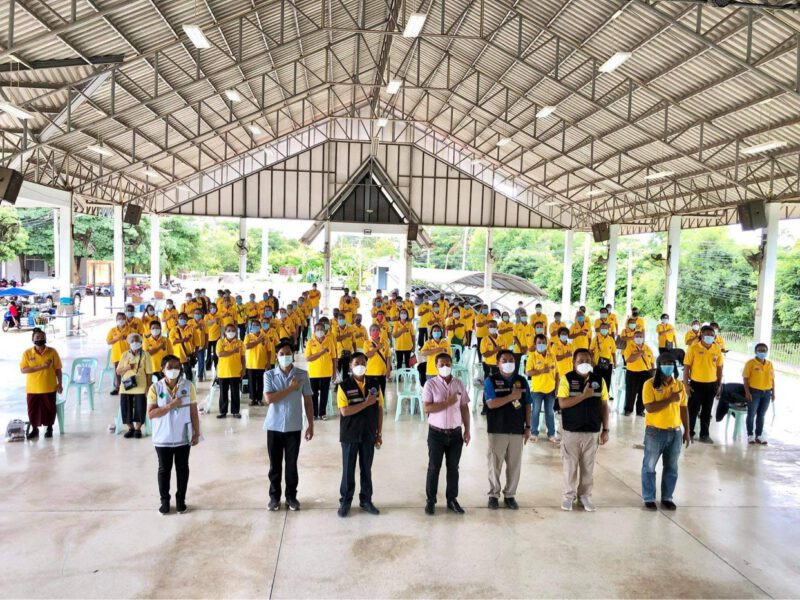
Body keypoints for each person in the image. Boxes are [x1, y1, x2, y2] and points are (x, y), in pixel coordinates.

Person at [557, 348, 610, 512]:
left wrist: (605, 429)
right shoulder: (567, 378)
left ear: (592, 362)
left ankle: (585, 497)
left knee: (588, 467)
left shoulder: (599, 380)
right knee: (570, 466)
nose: (584, 364)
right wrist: (584, 396)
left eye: (587, 360)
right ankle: (568, 497)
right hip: (571, 431)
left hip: (592, 431)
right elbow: (562, 403)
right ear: (574, 363)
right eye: (580, 361)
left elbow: (604, 406)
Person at [147, 355, 200, 515]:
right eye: (169, 367)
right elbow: (151, 413)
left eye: (177, 367)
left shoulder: (188, 386)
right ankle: (164, 501)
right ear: (162, 370)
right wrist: (171, 405)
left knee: (182, 468)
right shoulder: (155, 388)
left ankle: (180, 500)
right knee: (164, 470)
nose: (173, 370)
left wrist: (196, 432)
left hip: (182, 436)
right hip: (162, 438)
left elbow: (193, 411)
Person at [264, 342, 314, 511]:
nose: (285, 356)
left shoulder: (302, 375)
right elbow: (269, 399)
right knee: (275, 465)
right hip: (274, 426)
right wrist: (291, 388)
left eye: (288, 353)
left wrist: (310, 424)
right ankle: (274, 498)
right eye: (281, 353)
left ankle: (291, 497)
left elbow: (308, 400)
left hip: (294, 427)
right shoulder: (269, 375)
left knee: (291, 465)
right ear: (276, 356)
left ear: (293, 354)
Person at [421, 353, 471, 515]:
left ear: (452, 365)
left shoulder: (459, 384)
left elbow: (464, 407)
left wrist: (467, 430)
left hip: (456, 433)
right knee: (434, 467)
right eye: (441, 364)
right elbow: (427, 408)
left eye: (447, 364)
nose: (445, 367)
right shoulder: (430, 384)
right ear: (436, 366)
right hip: (436, 433)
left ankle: (452, 499)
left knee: (453, 468)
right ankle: (431, 501)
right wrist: (447, 403)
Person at [483, 350, 531, 510]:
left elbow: (527, 405)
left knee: (514, 465)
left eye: (511, 360)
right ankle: (493, 495)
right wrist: (511, 397)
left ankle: (510, 495)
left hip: (517, 429)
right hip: (497, 429)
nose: (508, 362)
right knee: (494, 464)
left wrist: (528, 427)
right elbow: (491, 404)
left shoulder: (522, 381)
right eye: (504, 360)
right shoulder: (491, 380)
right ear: (498, 363)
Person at [337, 352, 384, 518]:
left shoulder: (374, 385)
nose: (360, 366)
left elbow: (379, 409)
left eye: (363, 362)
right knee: (348, 470)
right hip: (350, 435)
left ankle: (366, 500)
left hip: (368, 434)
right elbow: (345, 411)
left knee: (366, 469)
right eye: (356, 363)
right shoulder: (343, 386)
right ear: (350, 365)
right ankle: (345, 501)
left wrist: (379, 433)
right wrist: (366, 403)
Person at [641, 352, 690, 511]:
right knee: (649, 466)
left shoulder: (679, 386)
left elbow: (684, 409)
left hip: (675, 432)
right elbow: (649, 408)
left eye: (671, 363)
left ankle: (667, 497)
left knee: (672, 467)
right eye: (665, 363)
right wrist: (669, 400)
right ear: (659, 365)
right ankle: (649, 497)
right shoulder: (649, 384)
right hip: (655, 432)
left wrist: (687, 430)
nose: (668, 366)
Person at [19, 328, 63, 439]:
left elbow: (58, 369)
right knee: (32, 410)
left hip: (49, 387)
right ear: (32, 339)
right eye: (37, 338)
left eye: (42, 337)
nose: (40, 339)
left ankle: (49, 428)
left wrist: (60, 384)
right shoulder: (27, 353)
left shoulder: (52, 352)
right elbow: (23, 370)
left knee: (50, 409)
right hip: (33, 388)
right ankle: (35, 429)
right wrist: (41, 367)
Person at [683, 325, 723, 443]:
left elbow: (720, 367)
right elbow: (686, 367)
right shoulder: (693, 348)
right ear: (701, 335)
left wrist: (719, 384)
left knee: (707, 411)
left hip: (711, 385)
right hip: (696, 384)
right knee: (692, 410)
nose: (710, 337)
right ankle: (688, 432)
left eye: (712, 335)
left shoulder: (717, 348)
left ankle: (704, 434)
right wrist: (686, 384)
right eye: (707, 334)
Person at [116, 332, 154, 438]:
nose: (135, 343)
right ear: (129, 343)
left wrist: (148, 386)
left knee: (140, 406)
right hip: (127, 385)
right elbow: (118, 371)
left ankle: (138, 428)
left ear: (141, 342)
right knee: (125, 406)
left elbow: (149, 372)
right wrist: (127, 367)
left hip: (141, 385)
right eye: (132, 341)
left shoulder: (146, 355)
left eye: (137, 341)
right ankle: (130, 427)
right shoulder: (125, 354)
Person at [526, 333, 558, 443]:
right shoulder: (532, 356)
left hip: (551, 389)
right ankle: (534, 433)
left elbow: (557, 373)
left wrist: (557, 388)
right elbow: (528, 372)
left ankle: (552, 434)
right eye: (539, 343)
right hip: (537, 390)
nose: (541, 344)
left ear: (547, 343)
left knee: (550, 412)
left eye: (543, 343)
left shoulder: (552, 356)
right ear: (535, 344)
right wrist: (541, 371)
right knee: (535, 411)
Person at [743, 343, 774, 445]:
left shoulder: (769, 364)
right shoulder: (750, 363)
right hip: (754, 392)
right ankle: (750, 435)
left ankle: (759, 435)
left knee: (761, 415)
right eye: (760, 350)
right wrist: (747, 392)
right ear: (755, 352)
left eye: (764, 350)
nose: (762, 352)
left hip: (767, 393)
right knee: (751, 414)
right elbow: (745, 378)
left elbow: (772, 379)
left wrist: (773, 392)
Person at [305, 320, 336, 420]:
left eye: (322, 329)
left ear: (325, 330)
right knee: (313, 393)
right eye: (318, 329)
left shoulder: (329, 341)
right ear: (314, 331)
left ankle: (322, 413)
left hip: (326, 372)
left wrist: (334, 372)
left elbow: (334, 357)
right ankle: (314, 413)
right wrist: (321, 353)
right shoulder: (310, 342)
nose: (320, 331)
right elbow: (308, 358)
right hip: (314, 373)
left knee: (324, 393)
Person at [216, 324, 245, 419]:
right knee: (223, 393)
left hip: (235, 372)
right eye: (229, 330)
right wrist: (233, 351)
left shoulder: (240, 343)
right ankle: (223, 411)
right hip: (223, 372)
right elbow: (220, 354)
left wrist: (243, 369)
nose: (231, 332)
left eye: (233, 330)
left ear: (236, 332)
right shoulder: (220, 342)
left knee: (235, 393)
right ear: (225, 332)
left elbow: (243, 357)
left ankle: (235, 411)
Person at [623, 330, 655, 416]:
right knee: (630, 392)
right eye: (637, 336)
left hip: (646, 373)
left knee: (643, 392)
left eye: (641, 336)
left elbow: (652, 362)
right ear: (633, 338)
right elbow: (628, 359)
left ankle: (640, 410)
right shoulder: (629, 347)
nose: (639, 338)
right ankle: (628, 410)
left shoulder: (648, 348)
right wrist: (639, 353)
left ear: (643, 338)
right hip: (632, 373)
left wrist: (652, 372)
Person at [590, 323, 617, 401]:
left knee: (607, 380)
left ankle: (605, 396)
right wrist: (592, 361)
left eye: (606, 328)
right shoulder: (596, 338)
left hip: (609, 364)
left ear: (608, 329)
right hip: (597, 363)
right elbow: (591, 350)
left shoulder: (611, 339)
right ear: (599, 329)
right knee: (597, 380)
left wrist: (615, 362)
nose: (604, 329)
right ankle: (595, 396)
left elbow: (614, 352)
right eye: (602, 328)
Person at [107, 312, 132, 395]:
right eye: (119, 319)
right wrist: (116, 339)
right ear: (116, 320)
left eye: (123, 319)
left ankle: (128, 386)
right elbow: (108, 341)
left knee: (127, 370)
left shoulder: (130, 329)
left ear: (126, 320)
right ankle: (117, 387)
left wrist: (126, 338)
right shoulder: (113, 330)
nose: (121, 320)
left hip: (127, 354)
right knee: (117, 371)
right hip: (117, 355)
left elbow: (134, 340)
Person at [245, 319, 267, 407]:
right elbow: (247, 346)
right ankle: (253, 399)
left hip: (261, 363)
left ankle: (259, 399)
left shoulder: (264, 336)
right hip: (250, 364)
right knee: (251, 382)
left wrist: (268, 362)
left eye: (257, 325)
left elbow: (268, 350)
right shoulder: (248, 336)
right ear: (251, 326)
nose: (255, 327)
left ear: (260, 326)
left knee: (260, 382)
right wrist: (258, 341)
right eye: (253, 325)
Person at [169, 312, 196, 381]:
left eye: (184, 318)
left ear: (187, 319)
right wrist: (183, 340)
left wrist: (195, 353)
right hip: (177, 356)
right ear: (178, 319)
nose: (182, 320)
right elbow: (172, 341)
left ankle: (189, 388)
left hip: (188, 355)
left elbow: (196, 342)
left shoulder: (192, 329)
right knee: (177, 373)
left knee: (188, 373)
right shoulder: (173, 329)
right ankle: (178, 387)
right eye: (180, 318)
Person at [203, 303, 222, 375]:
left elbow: (222, 326)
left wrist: (222, 336)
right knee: (208, 354)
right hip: (208, 337)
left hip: (217, 337)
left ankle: (216, 365)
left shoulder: (219, 316)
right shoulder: (206, 316)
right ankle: (208, 366)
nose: (212, 309)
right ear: (209, 309)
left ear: (216, 308)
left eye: (214, 308)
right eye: (211, 308)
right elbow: (207, 324)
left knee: (215, 353)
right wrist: (214, 320)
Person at [191, 308, 207, 382]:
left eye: (199, 313)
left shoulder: (204, 322)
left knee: (201, 360)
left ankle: (200, 375)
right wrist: (196, 327)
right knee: (190, 361)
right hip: (191, 346)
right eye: (196, 313)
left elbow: (206, 334)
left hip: (201, 345)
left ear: (201, 315)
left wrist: (206, 344)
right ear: (193, 314)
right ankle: (190, 375)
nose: (197, 315)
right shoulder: (189, 322)